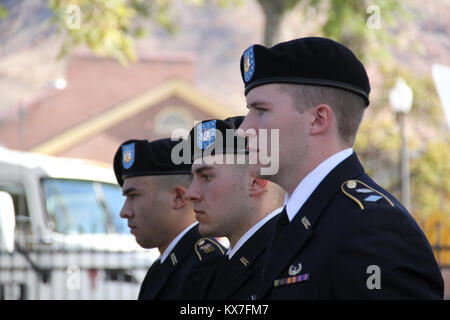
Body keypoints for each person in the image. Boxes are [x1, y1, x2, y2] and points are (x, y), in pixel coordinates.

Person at [237, 37, 444, 299]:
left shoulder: (372, 229)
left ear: (318, 119)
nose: (244, 129)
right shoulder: (298, 219)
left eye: (261, 110)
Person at [185, 116, 285, 300]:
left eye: (206, 177)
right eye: (193, 178)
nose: (190, 193)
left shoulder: (288, 261)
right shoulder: (220, 267)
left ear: (256, 180)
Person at [113, 138, 225, 300]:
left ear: (179, 197)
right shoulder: (164, 266)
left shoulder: (204, 268)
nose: (124, 212)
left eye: (134, 196)